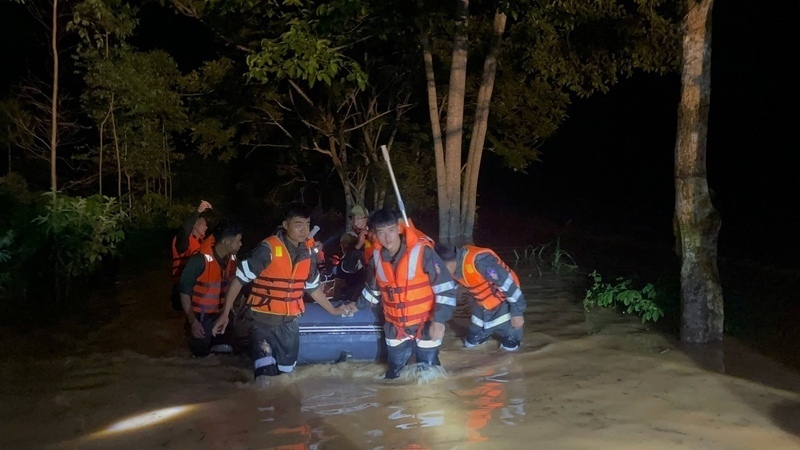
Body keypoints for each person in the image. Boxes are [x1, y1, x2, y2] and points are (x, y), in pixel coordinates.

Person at [212, 204, 348, 378]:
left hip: (289, 325)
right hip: (262, 321)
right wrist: (224, 314)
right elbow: (239, 280)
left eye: (307, 225)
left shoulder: (308, 255)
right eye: (298, 224)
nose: (304, 230)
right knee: (265, 375)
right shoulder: (267, 249)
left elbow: (313, 289)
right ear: (285, 225)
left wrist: (334, 310)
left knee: (285, 375)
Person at [348, 208, 457, 379]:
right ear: (374, 235)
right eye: (381, 232)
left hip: (426, 323)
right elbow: (373, 289)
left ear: (399, 229)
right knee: (394, 373)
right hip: (395, 327)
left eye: (391, 230)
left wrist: (439, 320)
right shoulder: (376, 258)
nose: (388, 238)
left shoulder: (423, 251)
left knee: (429, 372)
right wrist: (356, 306)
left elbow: (446, 287)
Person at [434, 244, 526, 351]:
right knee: (471, 346)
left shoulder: (481, 262)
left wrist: (517, 313)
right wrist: (438, 319)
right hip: (482, 308)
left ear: (447, 266)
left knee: (510, 348)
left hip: (505, 306)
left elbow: (509, 285)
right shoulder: (452, 269)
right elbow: (446, 294)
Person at [179, 221, 243, 356]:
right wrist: (193, 322)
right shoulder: (198, 260)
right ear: (226, 242)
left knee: (227, 351)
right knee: (200, 355)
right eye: (238, 241)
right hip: (200, 318)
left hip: (220, 315)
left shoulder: (232, 260)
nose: (240, 244)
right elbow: (184, 293)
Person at [171, 200, 212, 311]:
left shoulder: (202, 243)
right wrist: (198, 211)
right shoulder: (184, 241)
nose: (206, 227)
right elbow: (184, 229)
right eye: (204, 224)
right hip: (182, 287)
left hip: (196, 287)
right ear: (195, 226)